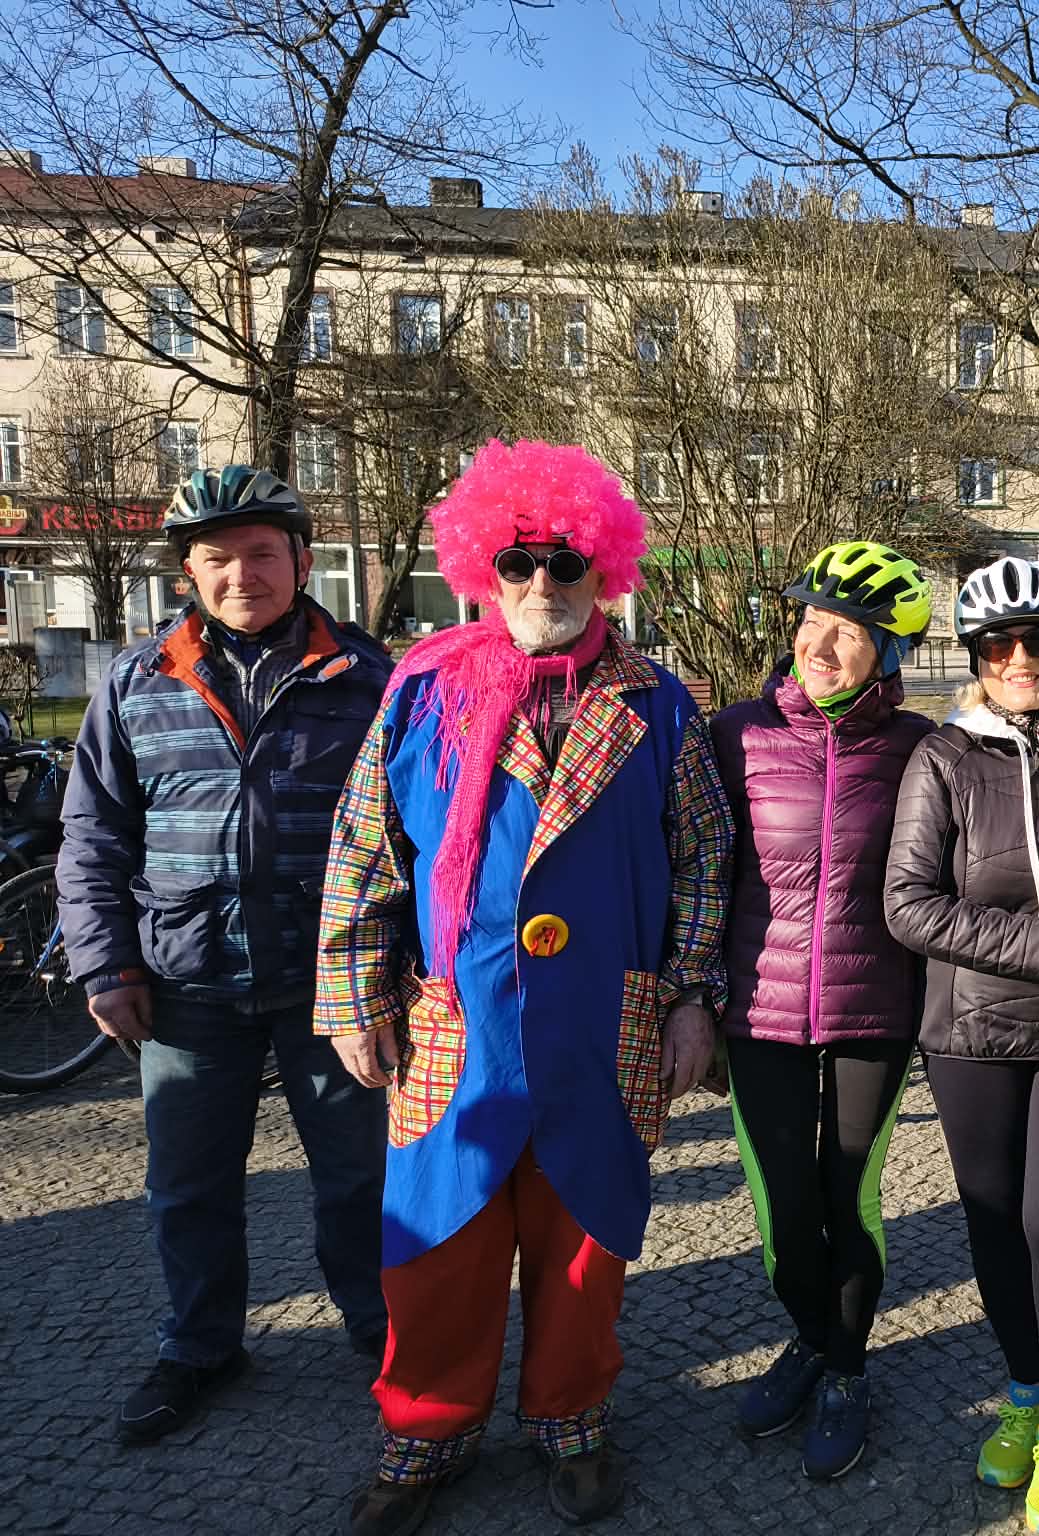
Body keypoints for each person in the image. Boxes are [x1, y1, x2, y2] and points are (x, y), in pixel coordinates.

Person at [315, 440, 734, 1534]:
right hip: (461, 1022)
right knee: (435, 1245)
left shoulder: (657, 703)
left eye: (564, 561)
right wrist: (354, 995)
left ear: (605, 569)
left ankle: (571, 1416)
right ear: (482, 569)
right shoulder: (423, 691)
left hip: (603, 1020)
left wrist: (692, 995)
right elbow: (365, 848)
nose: (541, 582)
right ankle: (424, 1431)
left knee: (583, 1240)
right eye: (517, 562)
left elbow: (703, 857)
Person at [56, 466, 392, 1446]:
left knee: (358, 1177)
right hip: (185, 979)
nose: (242, 573)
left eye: (261, 553)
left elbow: (414, 834)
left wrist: (402, 968)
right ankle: (202, 1346)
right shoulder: (138, 681)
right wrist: (105, 964)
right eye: (218, 558)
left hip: (331, 983)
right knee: (189, 1184)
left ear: (301, 561)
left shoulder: (369, 678)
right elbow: (93, 833)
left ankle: (383, 1330)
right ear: (188, 576)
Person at [884, 556, 1039, 1535]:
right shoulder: (943, 758)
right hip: (973, 1030)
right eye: (997, 644)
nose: (1019, 659)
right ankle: (1023, 1392)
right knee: (993, 1221)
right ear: (975, 656)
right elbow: (909, 906)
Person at [711, 540, 936, 1480]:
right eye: (812, 622)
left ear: (888, 653)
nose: (821, 644)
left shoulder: (922, 746)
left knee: (850, 1197)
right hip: (759, 1010)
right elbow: (696, 869)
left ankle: (846, 1369)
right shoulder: (736, 734)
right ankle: (809, 1336)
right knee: (783, 1208)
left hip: (873, 1010)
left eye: (848, 631)